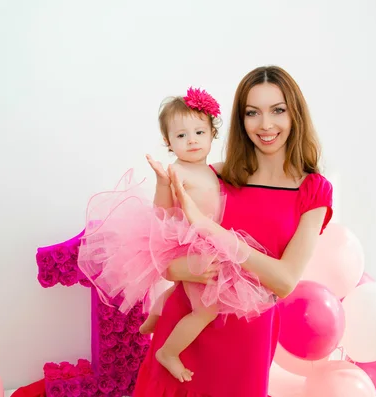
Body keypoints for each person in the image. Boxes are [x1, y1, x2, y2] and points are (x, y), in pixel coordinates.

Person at [132, 65, 334, 397]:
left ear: (295, 115)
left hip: (247, 342)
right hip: (187, 331)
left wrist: (216, 233)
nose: (265, 124)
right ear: (240, 120)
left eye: (278, 110)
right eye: (252, 112)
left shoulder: (313, 190)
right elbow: (164, 243)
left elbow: (284, 281)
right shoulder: (214, 175)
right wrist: (180, 268)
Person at [77, 87, 275, 384]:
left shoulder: (211, 169)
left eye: (199, 132)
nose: (192, 140)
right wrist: (161, 181)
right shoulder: (177, 171)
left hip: (212, 239)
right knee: (207, 309)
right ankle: (169, 352)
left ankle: (156, 316)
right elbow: (165, 212)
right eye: (181, 136)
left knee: (187, 291)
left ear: (212, 135)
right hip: (188, 244)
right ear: (169, 142)